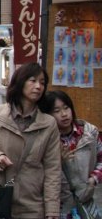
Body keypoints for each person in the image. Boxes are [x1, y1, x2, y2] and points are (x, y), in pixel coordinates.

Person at [0, 62, 61, 219]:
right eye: (33, 80)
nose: (38, 86)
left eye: (42, 82)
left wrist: (52, 210)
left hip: (31, 203)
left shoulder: (49, 124)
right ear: (20, 82)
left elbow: (52, 170)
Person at [41, 91, 101, 219]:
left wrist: (93, 179)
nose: (64, 114)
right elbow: (36, 171)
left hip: (85, 201)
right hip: (59, 206)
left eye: (66, 108)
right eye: (56, 111)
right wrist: (57, 160)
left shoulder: (89, 133)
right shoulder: (45, 139)